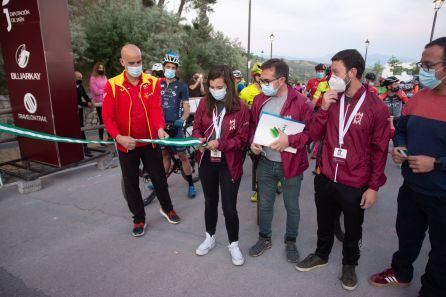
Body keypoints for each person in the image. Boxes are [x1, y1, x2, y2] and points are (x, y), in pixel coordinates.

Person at [296, 49, 390, 291]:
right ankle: (321, 254)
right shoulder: (330, 98)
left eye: (335, 73)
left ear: (352, 72)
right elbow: (314, 135)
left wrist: (373, 187)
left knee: (353, 228)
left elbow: (380, 150)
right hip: (326, 174)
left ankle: (349, 265)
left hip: (355, 180)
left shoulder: (376, 107)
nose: (330, 78)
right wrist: (324, 107)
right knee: (324, 220)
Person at [369, 36, 446, 297]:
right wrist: (400, 147)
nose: (422, 71)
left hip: (442, 195)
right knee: (407, 234)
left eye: (428, 65)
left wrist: (436, 163)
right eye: (421, 64)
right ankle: (401, 272)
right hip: (412, 188)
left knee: (441, 251)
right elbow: (401, 129)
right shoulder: (418, 98)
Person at [102, 44, 181, 237]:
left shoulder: (152, 82)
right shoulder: (112, 85)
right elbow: (107, 117)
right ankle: (138, 218)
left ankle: (167, 208)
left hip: (150, 142)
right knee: (131, 183)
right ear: (122, 62)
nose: (136, 66)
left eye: (139, 62)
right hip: (126, 144)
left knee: (159, 177)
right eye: (131, 63)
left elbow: (156, 110)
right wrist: (119, 137)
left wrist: (160, 128)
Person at [248, 59, 313, 264]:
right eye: (260, 79)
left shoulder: (301, 102)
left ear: (281, 80)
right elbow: (252, 127)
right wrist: (253, 142)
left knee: (291, 205)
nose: (262, 83)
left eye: (267, 80)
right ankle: (264, 238)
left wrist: (290, 140)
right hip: (266, 162)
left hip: (291, 165)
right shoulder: (260, 100)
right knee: (265, 204)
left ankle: (291, 241)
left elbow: (310, 134)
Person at [192, 65, 250, 266]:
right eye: (212, 86)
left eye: (219, 86)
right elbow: (196, 127)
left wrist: (221, 144)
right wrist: (198, 139)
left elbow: (242, 140)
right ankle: (210, 237)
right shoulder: (203, 104)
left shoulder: (241, 107)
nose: (215, 90)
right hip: (207, 160)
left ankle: (233, 244)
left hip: (229, 163)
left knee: (229, 207)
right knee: (210, 202)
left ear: (229, 85)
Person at [160, 52, 196, 198]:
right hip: (161, 126)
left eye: (173, 67)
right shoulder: (157, 84)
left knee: (182, 156)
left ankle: (191, 184)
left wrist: (182, 119)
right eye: (167, 66)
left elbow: (187, 108)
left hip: (176, 125)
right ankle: (162, 182)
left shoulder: (182, 86)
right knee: (165, 155)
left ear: (176, 69)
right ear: (163, 68)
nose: (170, 69)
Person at [239, 62, 263, 203]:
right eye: (259, 75)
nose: (261, 78)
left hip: (269, 129)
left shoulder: (271, 90)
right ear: (255, 76)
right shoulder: (246, 91)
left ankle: (277, 177)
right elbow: (239, 111)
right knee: (255, 160)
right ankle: (256, 189)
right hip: (252, 130)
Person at [75, 71, 94, 157]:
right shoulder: (69, 86)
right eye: (79, 79)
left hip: (80, 111)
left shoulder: (80, 86)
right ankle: (79, 147)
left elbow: (85, 95)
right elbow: (76, 100)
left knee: (82, 128)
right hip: (73, 112)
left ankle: (85, 147)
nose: (80, 80)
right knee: (76, 129)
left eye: (81, 79)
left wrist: (89, 101)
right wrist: (85, 104)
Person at [89, 62, 108, 143]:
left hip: (107, 101)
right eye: (99, 68)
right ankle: (101, 139)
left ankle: (110, 137)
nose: (101, 69)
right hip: (99, 103)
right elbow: (96, 91)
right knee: (102, 120)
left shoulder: (104, 77)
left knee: (109, 120)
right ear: (96, 68)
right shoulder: (93, 78)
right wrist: (104, 90)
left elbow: (108, 87)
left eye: (102, 68)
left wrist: (103, 90)